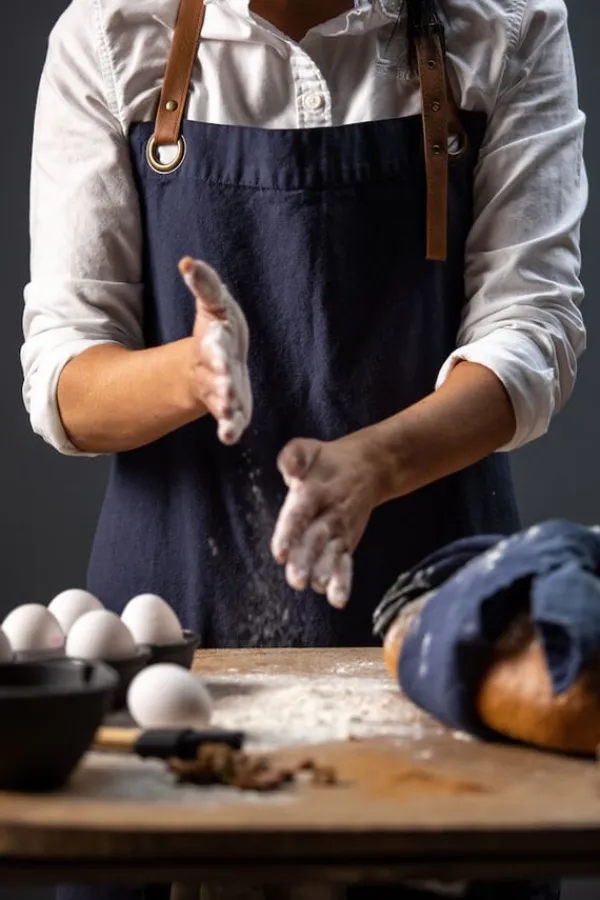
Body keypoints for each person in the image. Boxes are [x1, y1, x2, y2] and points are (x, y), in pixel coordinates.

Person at [21, 0, 585, 897]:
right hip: (175, 630)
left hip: (441, 625)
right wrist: (194, 374)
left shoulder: (505, 25)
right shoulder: (110, 32)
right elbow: (65, 383)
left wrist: (376, 464)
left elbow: (534, 327)